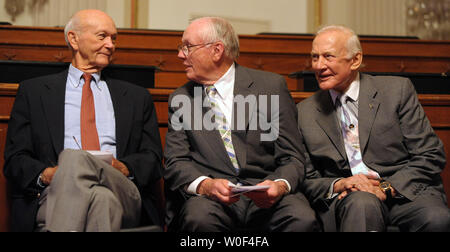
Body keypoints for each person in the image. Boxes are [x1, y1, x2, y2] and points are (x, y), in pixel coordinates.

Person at [3, 9, 163, 232]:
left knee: (75, 159)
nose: (111, 45)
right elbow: (15, 159)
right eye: (102, 36)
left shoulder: (136, 97)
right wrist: (50, 174)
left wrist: (122, 168)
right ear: (73, 39)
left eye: (113, 38)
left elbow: (153, 159)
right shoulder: (35, 92)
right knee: (101, 199)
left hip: (122, 188)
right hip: (55, 192)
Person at [164, 17, 319, 232]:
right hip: (213, 199)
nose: (181, 55)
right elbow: (176, 161)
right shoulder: (181, 98)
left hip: (268, 193)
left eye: (187, 47)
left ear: (217, 50)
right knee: (199, 219)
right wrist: (206, 185)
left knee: (302, 220)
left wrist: (280, 185)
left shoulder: (270, 87)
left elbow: (292, 156)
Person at [297, 25, 450, 232]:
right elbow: (306, 178)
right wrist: (340, 184)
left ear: (356, 60)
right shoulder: (304, 112)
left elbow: (431, 154)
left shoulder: (396, 91)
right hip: (351, 198)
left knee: (437, 219)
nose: (319, 65)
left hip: (405, 192)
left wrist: (386, 188)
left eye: (328, 56)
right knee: (362, 204)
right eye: (315, 57)